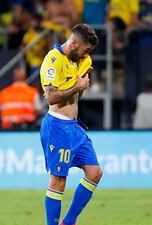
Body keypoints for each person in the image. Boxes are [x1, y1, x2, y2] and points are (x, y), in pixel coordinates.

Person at [39, 23, 103, 225]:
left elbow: (76, 97)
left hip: (74, 127)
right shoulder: (52, 61)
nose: (87, 55)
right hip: (57, 126)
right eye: (86, 50)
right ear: (74, 43)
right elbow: (51, 97)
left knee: (95, 172)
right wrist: (77, 86)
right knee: (59, 181)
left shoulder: (81, 60)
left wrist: (82, 85)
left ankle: (69, 221)